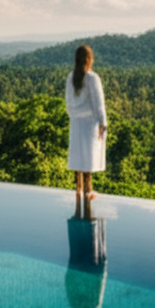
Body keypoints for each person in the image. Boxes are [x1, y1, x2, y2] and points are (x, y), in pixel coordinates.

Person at [65, 44, 107, 202]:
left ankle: (79, 189)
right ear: (88, 59)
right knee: (88, 156)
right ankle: (89, 190)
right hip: (89, 123)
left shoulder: (71, 77)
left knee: (78, 155)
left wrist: (73, 116)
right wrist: (102, 121)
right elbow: (98, 102)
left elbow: (68, 101)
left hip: (76, 121)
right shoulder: (92, 78)